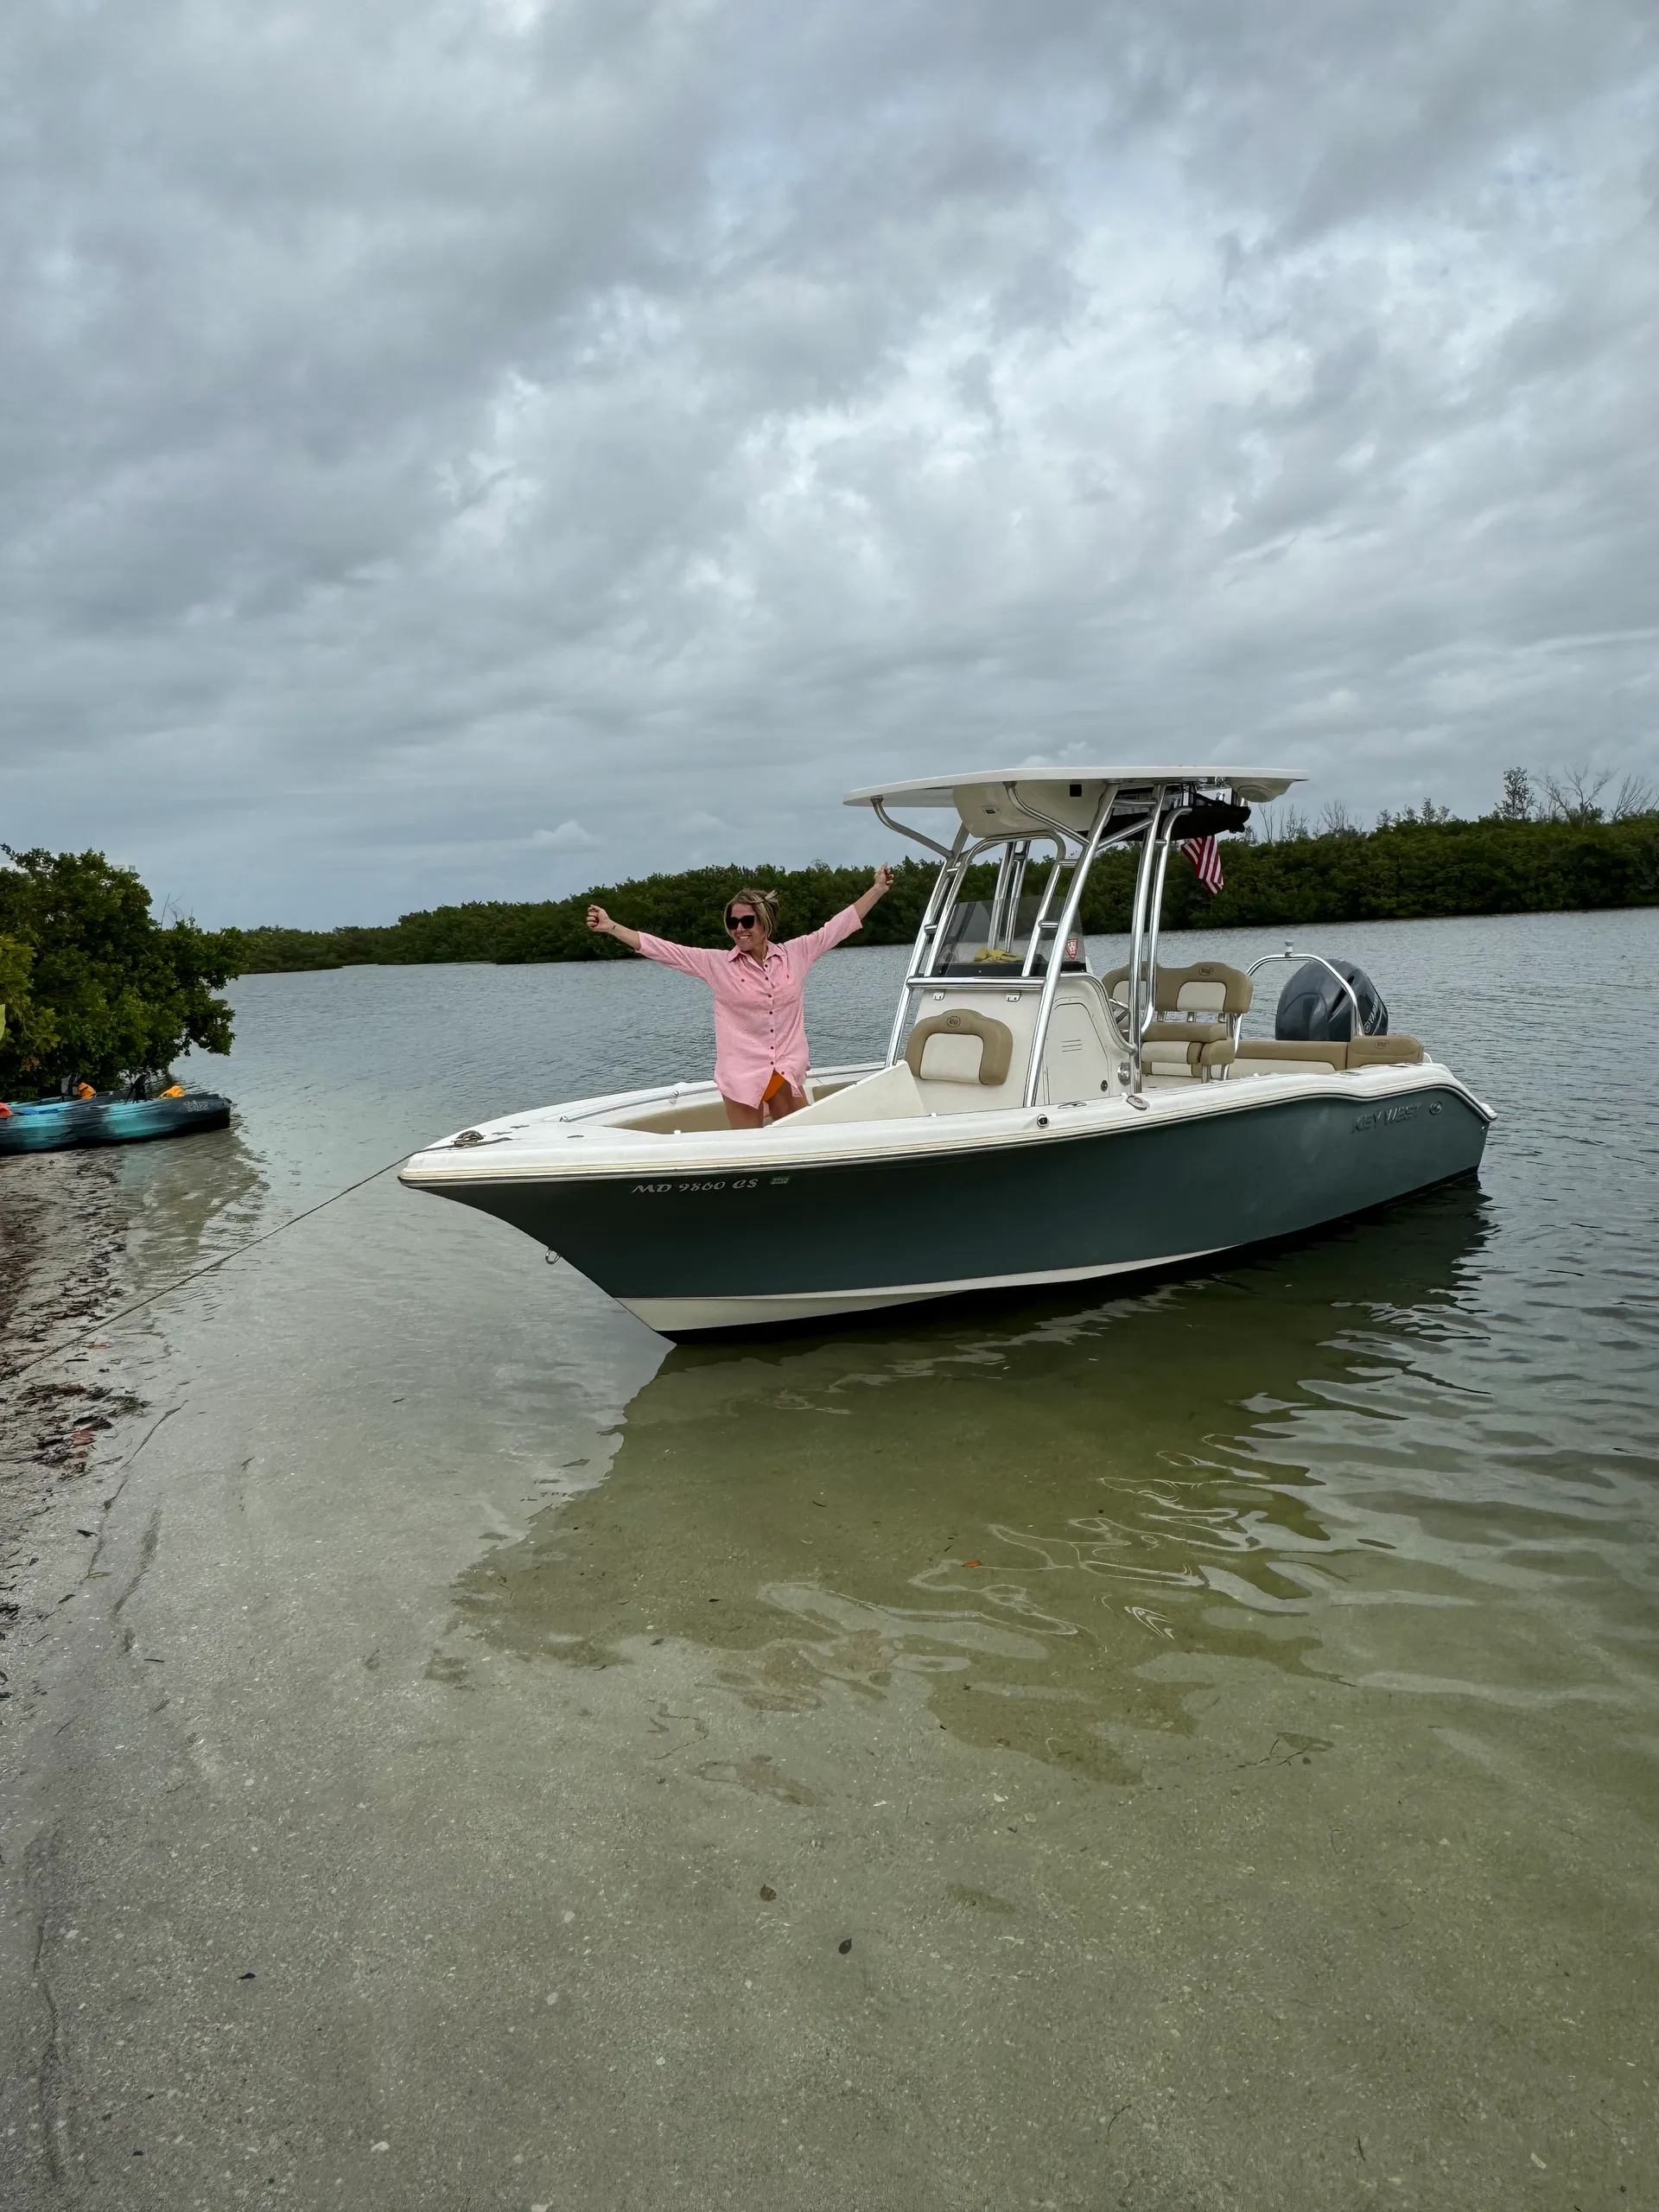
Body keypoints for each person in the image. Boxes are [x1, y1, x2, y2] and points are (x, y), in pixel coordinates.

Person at [586, 868, 895, 1128]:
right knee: (751, 1149)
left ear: (764, 922)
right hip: (742, 1075)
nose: (739, 929)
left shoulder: (795, 954)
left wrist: (877, 889)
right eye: (733, 923)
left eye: (747, 922)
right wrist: (612, 927)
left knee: (799, 1142)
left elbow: (838, 927)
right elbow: (664, 949)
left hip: (785, 1069)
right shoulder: (717, 964)